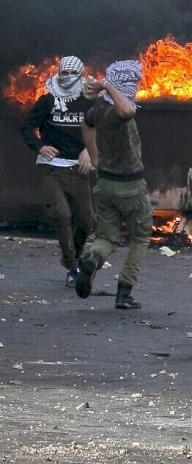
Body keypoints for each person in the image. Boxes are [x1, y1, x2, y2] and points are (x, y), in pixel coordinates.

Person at [76, 60, 153, 309]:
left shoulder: (99, 108)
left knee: (106, 237)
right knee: (140, 238)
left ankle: (93, 260)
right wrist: (108, 86)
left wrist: (93, 154)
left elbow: (86, 124)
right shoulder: (121, 111)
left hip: (105, 184)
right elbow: (128, 111)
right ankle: (124, 293)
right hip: (130, 186)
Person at [20, 55, 97, 287]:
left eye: (71, 74)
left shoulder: (88, 101)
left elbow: (102, 129)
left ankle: (69, 257)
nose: (65, 78)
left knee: (87, 220)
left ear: (81, 76)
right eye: (62, 73)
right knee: (62, 215)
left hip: (78, 169)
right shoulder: (47, 99)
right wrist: (40, 147)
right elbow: (26, 127)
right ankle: (73, 266)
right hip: (50, 169)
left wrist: (89, 151)